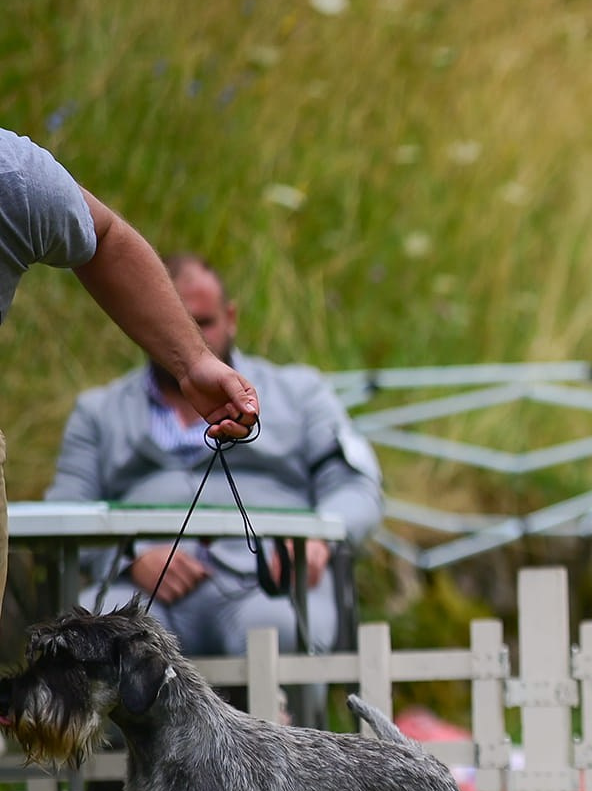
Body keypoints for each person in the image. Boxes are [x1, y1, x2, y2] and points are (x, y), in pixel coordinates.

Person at [0, 125, 260, 791]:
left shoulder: (6, 169)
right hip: (128, 583)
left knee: (261, 621)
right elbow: (72, 506)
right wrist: (137, 551)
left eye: (214, 317)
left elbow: (104, 238)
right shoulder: (99, 414)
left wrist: (192, 366)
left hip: (225, 589)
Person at [47, 254, 381, 657]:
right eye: (177, 325)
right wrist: (125, 559)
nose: (195, 342)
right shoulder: (96, 413)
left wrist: (317, 541)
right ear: (144, 324)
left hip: (270, 589)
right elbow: (63, 513)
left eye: (203, 323)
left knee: (269, 636)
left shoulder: (303, 393)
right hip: (139, 594)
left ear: (231, 317)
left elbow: (357, 487)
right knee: (103, 640)